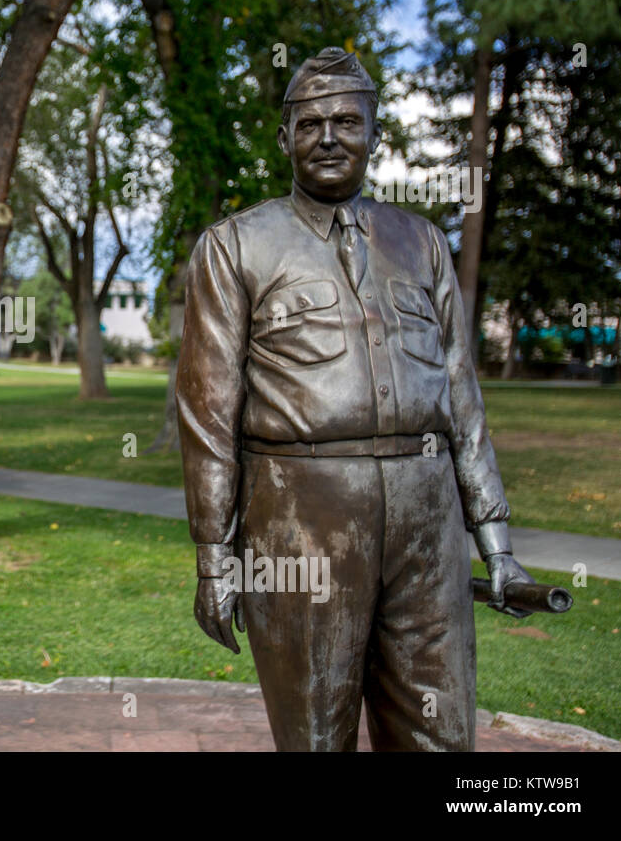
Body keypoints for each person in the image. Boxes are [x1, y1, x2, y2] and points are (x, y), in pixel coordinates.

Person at [177, 46, 534, 751]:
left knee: (439, 733)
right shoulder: (234, 247)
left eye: (348, 120)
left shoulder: (423, 243)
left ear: (376, 132)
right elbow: (208, 419)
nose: (330, 138)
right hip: (301, 517)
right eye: (310, 124)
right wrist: (215, 555)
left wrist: (496, 544)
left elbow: (462, 398)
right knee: (315, 735)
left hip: (426, 521)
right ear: (284, 139)